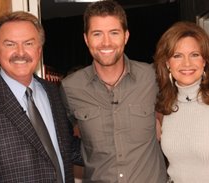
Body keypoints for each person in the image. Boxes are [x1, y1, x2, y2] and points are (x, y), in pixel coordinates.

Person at [61, 0, 167, 182]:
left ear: (126, 36)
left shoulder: (152, 77)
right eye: (97, 34)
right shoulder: (70, 87)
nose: (106, 42)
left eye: (114, 33)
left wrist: (159, 119)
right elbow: (64, 141)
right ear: (86, 39)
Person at [0, 11, 80, 182]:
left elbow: (68, 148)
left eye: (28, 43)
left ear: (39, 50)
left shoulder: (53, 92)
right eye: (10, 44)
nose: (20, 52)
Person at [154, 21, 209, 182]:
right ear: (167, 63)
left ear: (204, 61)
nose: (187, 63)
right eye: (177, 56)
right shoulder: (165, 108)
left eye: (194, 55)